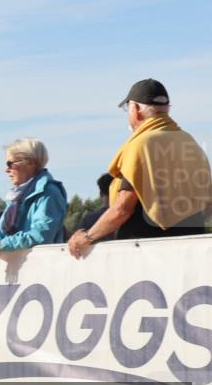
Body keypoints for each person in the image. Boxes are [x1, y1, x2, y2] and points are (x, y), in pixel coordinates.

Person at [69, 79, 212, 258]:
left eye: (126, 108)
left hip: (146, 253)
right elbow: (206, 205)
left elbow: (122, 208)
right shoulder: (190, 142)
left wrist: (87, 237)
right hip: (192, 250)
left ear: (135, 109)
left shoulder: (142, 144)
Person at [0, 139, 68, 271]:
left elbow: (40, 236)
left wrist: (1, 245)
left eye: (10, 163)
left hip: (44, 271)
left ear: (30, 162)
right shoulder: (16, 199)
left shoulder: (49, 193)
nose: (6, 170)